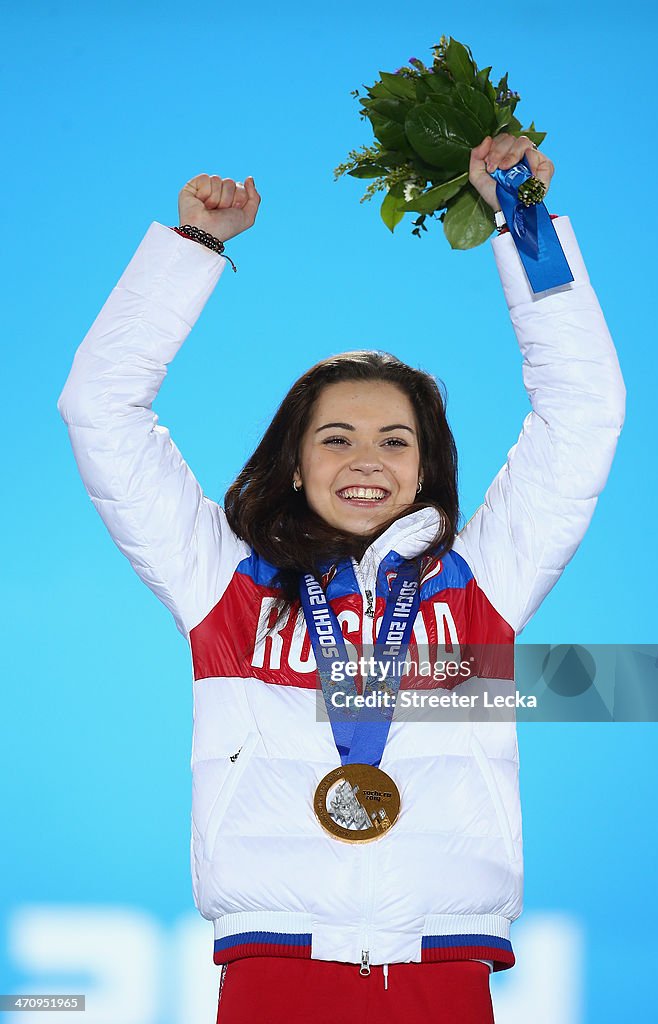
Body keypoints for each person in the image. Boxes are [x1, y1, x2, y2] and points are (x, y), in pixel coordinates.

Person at [57, 134, 626, 1024]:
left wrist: (523, 226)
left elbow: (583, 414)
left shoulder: (482, 585)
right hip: (273, 973)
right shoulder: (223, 583)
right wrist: (193, 249)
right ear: (294, 462)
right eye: (337, 437)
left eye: (395, 440)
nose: (368, 460)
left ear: (426, 463)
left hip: (446, 972)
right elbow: (101, 412)